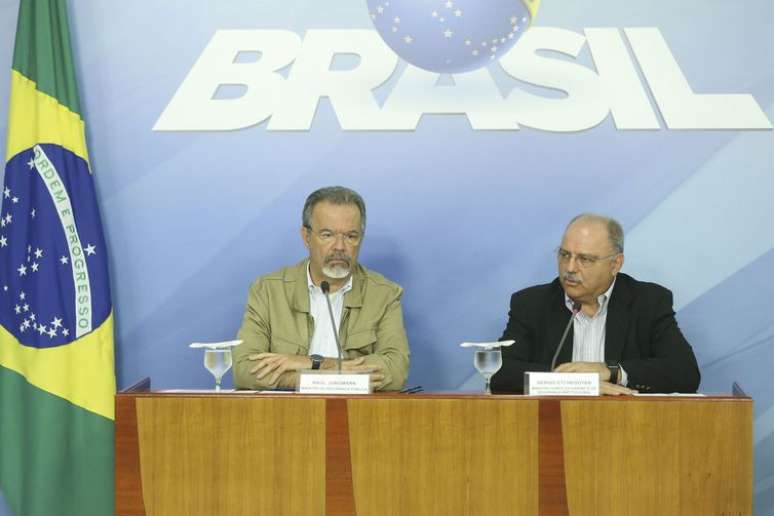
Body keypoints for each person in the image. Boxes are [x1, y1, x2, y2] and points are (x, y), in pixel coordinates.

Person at [491, 214, 700, 395]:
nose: (570, 268)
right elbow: (499, 372)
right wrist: (577, 384)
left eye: (585, 259)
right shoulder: (532, 304)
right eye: (564, 255)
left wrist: (613, 371)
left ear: (615, 264)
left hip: (627, 428)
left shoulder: (648, 302)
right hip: (552, 426)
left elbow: (685, 372)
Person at [233, 186, 409, 391]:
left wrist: (314, 363)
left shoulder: (384, 294)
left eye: (351, 236)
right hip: (284, 415)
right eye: (327, 235)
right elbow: (245, 370)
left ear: (361, 238)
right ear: (306, 237)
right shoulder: (268, 291)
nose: (340, 247)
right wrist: (320, 378)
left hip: (358, 415)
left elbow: (395, 370)